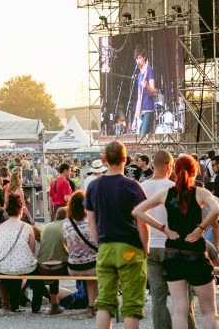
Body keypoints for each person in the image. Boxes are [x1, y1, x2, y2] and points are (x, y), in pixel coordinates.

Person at [133, 154, 219, 329]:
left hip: (172, 253)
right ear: (195, 171)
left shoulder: (167, 194)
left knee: (179, 309)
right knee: (209, 311)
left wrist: (163, 228)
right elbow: (216, 209)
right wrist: (201, 228)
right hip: (195, 252)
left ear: (176, 171)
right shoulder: (200, 192)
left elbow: (138, 211)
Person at [86, 141, 148, 329]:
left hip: (105, 247)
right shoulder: (133, 186)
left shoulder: (93, 186)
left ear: (104, 159)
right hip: (129, 248)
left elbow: (91, 221)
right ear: (125, 158)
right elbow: (142, 221)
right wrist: (145, 247)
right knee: (131, 304)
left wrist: (99, 242)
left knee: (104, 301)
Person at [138, 150, 175, 329]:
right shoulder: (173, 187)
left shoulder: (141, 187)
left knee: (157, 297)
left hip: (149, 245)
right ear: (169, 164)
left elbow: (136, 218)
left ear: (152, 164)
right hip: (171, 246)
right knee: (181, 295)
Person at [0, 193, 43, 313]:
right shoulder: (27, 227)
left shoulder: (1, 227)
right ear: (21, 210)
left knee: (15, 269)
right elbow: (32, 250)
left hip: (4, 267)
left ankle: (14, 305)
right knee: (37, 277)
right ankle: (36, 307)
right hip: (24, 266)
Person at [64, 190, 98, 317]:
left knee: (85, 269)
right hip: (92, 266)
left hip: (74, 268)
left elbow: (67, 243)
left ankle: (84, 298)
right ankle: (91, 306)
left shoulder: (67, 223)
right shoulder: (92, 221)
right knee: (93, 274)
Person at [36, 207, 69, 315]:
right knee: (80, 265)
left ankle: (54, 305)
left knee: (52, 263)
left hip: (42, 267)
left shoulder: (46, 226)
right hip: (59, 268)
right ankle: (88, 302)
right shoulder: (67, 226)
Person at [131, 45, 156, 135]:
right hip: (140, 112)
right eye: (136, 59)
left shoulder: (148, 69)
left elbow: (154, 93)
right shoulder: (139, 76)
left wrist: (147, 87)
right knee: (139, 138)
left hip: (148, 110)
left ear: (144, 57)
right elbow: (139, 99)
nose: (138, 61)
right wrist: (134, 119)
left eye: (139, 58)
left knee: (142, 138)